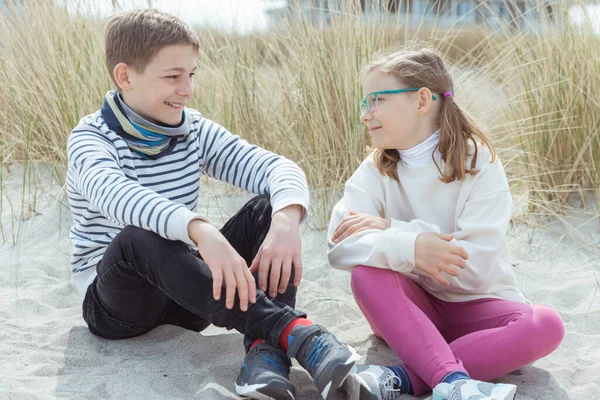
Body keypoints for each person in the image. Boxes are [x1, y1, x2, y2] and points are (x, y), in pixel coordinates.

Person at [66, 9, 358, 400]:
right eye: (172, 76)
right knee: (139, 236)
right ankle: (293, 332)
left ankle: (264, 356)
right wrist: (201, 231)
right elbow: (119, 196)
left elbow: (275, 167)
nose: (186, 89)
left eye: (191, 74)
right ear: (125, 76)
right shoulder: (90, 139)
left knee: (267, 209)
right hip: (118, 305)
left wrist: (287, 220)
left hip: (189, 294)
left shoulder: (192, 129)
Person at [326, 48, 565, 400]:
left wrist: (397, 230)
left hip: (477, 308)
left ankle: (408, 378)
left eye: (376, 100)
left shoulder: (478, 162)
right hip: (408, 313)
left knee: (546, 325)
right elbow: (339, 244)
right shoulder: (375, 170)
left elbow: (473, 268)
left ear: (423, 100)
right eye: (364, 103)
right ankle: (455, 384)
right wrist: (412, 248)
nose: (365, 114)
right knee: (366, 275)